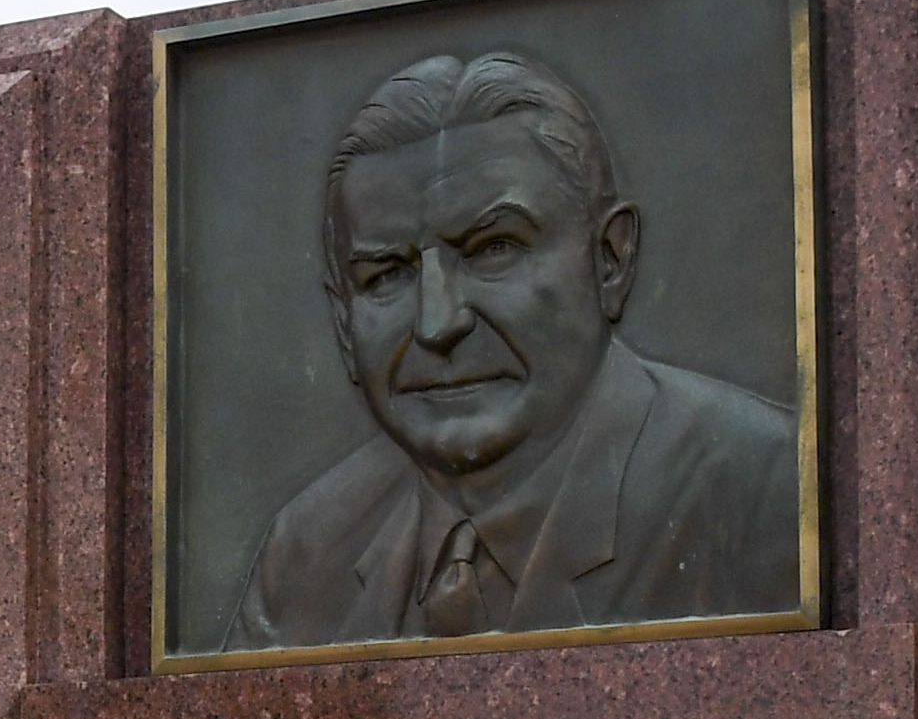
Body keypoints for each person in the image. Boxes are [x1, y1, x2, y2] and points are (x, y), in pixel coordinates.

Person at [228, 49, 800, 654]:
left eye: (493, 248)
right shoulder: (304, 553)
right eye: (385, 275)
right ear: (343, 326)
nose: (437, 323)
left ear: (610, 260)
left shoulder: (770, 490)